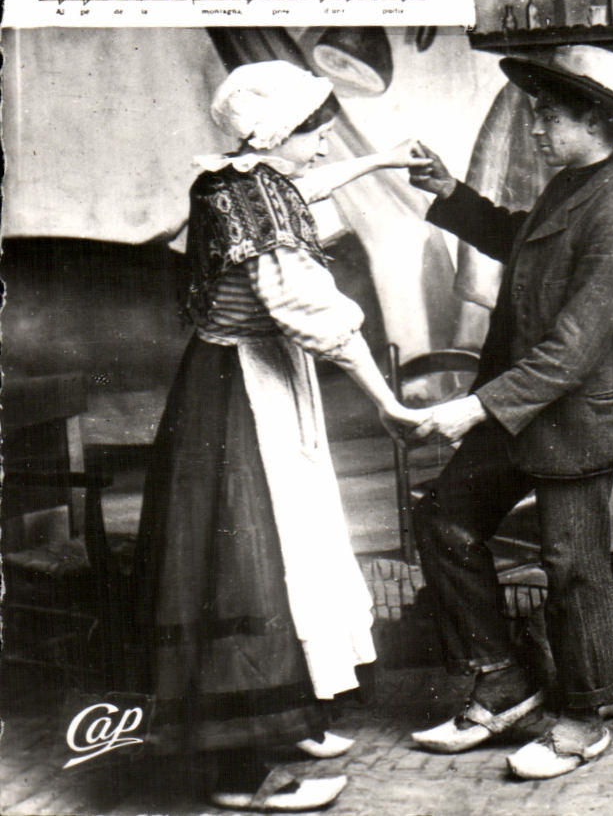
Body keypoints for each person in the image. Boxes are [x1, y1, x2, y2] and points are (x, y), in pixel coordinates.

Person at [132, 60, 432, 812]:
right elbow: (316, 314)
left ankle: (284, 717)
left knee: (290, 549)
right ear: (272, 136)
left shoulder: (238, 181)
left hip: (237, 381)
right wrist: (387, 402)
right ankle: (238, 767)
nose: (327, 142)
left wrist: (385, 158)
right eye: (314, 130)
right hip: (237, 399)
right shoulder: (258, 206)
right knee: (247, 560)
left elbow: (307, 185)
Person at [403, 46, 613, 781]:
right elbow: (525, 242)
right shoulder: (570, 188)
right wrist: (451, 191)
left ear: (595, 120)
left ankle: (584, 718)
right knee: (445, 520)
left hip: (572, 423)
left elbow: (573, 350)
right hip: (522, 411)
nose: (537, 126)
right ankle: (505, 680)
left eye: (548, 114)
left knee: (572, 569)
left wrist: (473, 408)